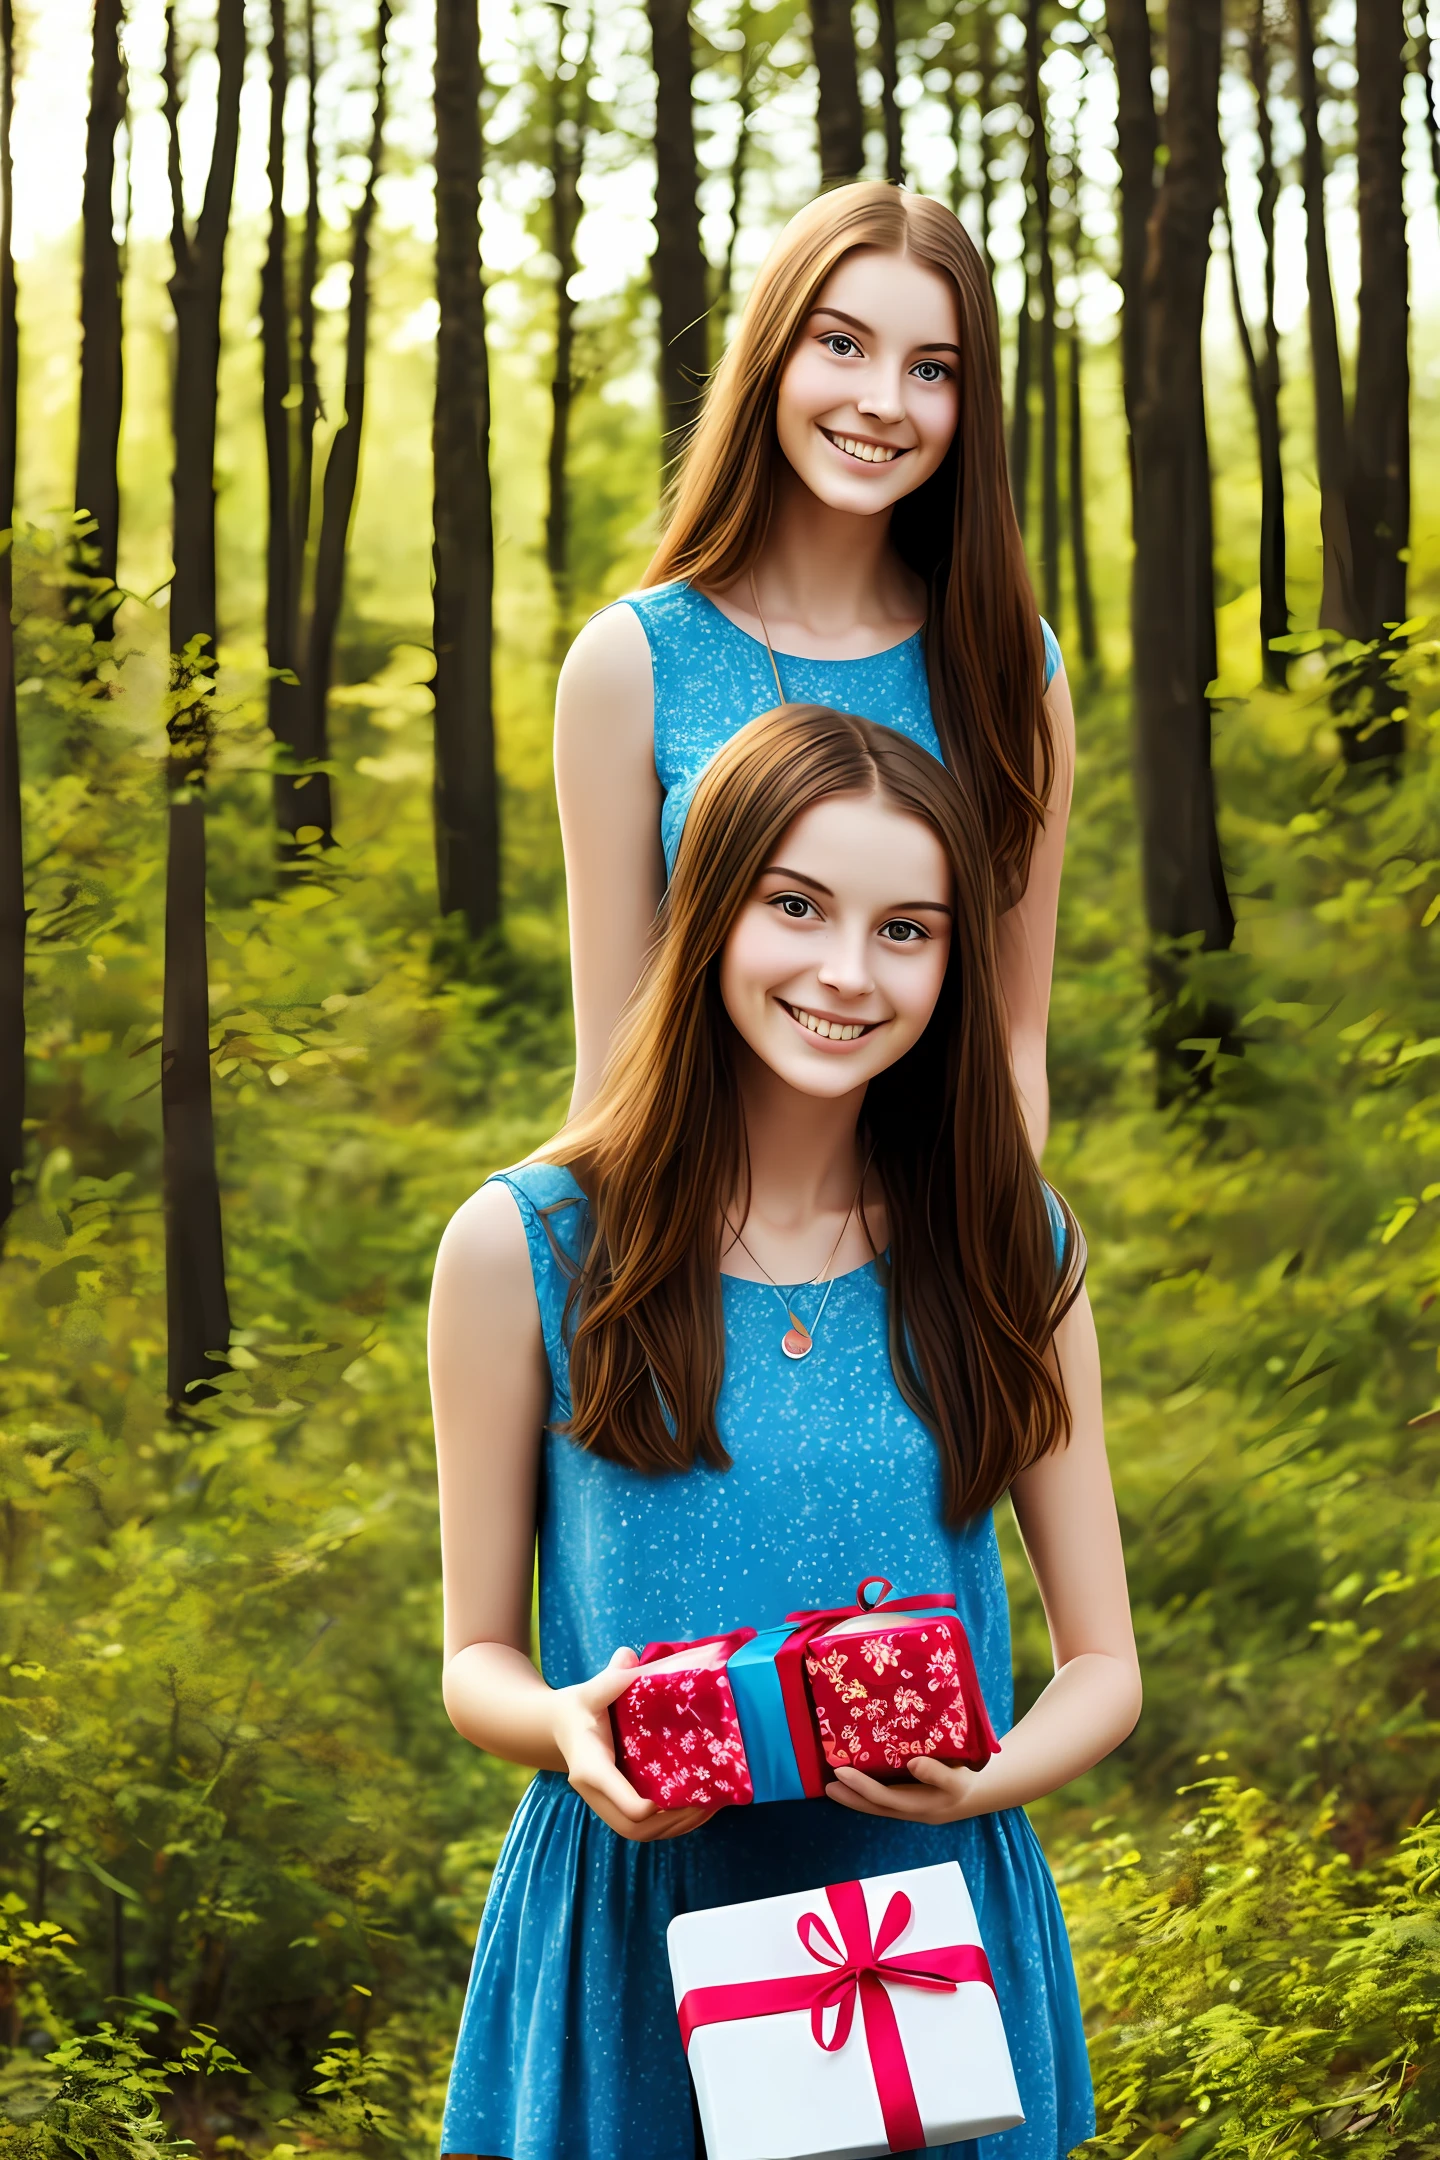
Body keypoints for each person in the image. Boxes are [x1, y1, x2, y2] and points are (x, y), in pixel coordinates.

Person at [431, 705, 1140, 2160]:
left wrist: (986, 1781)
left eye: (909, 929)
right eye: (796, 905)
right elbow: (476, 1661)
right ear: (707, 908)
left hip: (920, 1928)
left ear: (955, 959)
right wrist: (568, 1730)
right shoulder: (528, 1245)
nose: (845, 972)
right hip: (632, 1937)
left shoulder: (1011, 1246)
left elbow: (1106, 1666)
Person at [556, 184, 1075, 1149]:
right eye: (842, 343)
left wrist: (988, 1272)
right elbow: (614, 1063)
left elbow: (1014, 1039)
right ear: (772, 356)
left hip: (933, 1246)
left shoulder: (1014, 667)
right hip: (694, 1238)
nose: (882, 401)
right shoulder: (631, 663)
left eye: (932, 368)